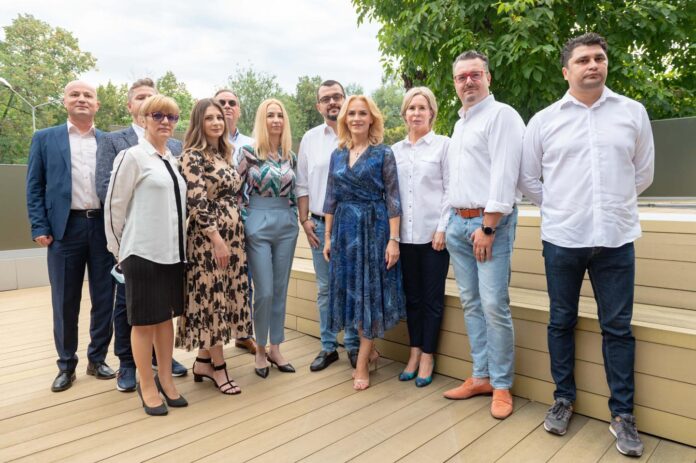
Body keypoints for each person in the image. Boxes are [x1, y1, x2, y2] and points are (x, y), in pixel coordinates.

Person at [518, 32, 654, 457]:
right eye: (583, 60)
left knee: (618, 328)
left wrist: (609, 205)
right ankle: (563, 398)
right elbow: (528, 178)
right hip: (563, 239)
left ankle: (623, 415)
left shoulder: (632, 113)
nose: (593, 65)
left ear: (606, 64)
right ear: (566, 71)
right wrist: (561, 207)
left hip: (616, 238)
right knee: (561, 321)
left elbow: (643, 173)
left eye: (598, 58)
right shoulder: (544, 120)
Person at [441, 51, 525, 420]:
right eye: (461, 77)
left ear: (488, 77)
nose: (468, 82)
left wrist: (488, 227)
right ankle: (481, 376)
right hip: (459, 224)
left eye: (475, 74)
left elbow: (505, 176)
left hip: (488, 225)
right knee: (471, 303)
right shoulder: (460, 124)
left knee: (493, 304)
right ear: (455, 83)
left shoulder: (501, 116)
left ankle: (502, 384)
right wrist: (448, 223)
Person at [95, 78, 187, 393]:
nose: (165, 121)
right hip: (141, 254)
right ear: (143, 118)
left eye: (171, 116)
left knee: (165, 320)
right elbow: (114, 207)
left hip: (171, 255)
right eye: (157, 115)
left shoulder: (172, 159)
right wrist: (119, 252)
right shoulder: (132, 156)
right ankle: (146, 385)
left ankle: (166, 379)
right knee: (144, 322)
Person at [26, 80, 116, 392]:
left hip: (103, 229)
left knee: (104, 298)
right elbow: (34, 186)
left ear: (97, 105)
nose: (81, 99)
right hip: (64, 230)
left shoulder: (108, 141)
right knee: (65, 300)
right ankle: (66, 365)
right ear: (64, 101)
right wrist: (39, 226)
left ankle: (97, 359)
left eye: (88, 95)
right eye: (74, 94)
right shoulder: (44, 138)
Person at [322, 95, 405, 391]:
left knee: (369, 293)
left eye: (362, 113)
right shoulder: (337, 154)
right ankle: (370, 352)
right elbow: (330, 198)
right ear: (344, 119)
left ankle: (361, 364)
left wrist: (393, 240)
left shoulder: (383, 153)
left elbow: (393, 199)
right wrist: (328, 237)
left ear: (372, 119)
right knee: (353, 294)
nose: (356, 118)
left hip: (373, 228)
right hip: (345, 231)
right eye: (352, 113)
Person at [175, 99, 252, 394]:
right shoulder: (192, 156)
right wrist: (216, 239)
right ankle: (220, 369)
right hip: (209, 240)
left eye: (219, 117)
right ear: (199, 122)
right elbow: (196, 201)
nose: (217, 122)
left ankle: (203, 362)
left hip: (232, 238)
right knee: (213, 302)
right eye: (209, 118)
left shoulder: (222, 154)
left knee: (224, 297)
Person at [297, 80, 360, 372]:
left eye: (337, 96)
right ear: (318, 106)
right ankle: (328, 346)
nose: (332, 102)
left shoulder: (359, 133)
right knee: (325, 288)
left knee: (352, 285)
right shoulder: (310, 139)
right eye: (326, 98)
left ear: (345, 99)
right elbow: (302, 184)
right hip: (320, 225)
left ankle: (354, 345)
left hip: (353, 224)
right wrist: (304, 219)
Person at [392, 87, 450, 387]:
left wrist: (442, 228)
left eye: (421, 108)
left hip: (433, 237)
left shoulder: (444, 146)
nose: (416, 113)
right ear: (404, 114)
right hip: (404, 238)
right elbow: (391, 196)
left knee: (432, 299)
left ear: (432, 113)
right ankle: (413, 352)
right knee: (411, 298)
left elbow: (451, 190)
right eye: (411, 108)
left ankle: (428, 355)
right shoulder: (394, 151)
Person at [237, 98, 299, 378]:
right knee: (263, 291)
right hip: (258, 221)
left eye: (280, 115)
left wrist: (295, 217)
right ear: (262, 120)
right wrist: (247, 221)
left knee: (280, 288)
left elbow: (295, 193)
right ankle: (260, 349)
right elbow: (236, 193)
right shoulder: (249, 153)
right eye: (270, 115)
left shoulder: (290, 156)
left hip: (286, 223)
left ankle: (276, 347)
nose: (276, 120)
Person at [213, 88, 257, 355]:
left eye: (232, 103)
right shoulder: (205, 142)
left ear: (239, 110)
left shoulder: (253, 143)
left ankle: (243, 334)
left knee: (243, 280)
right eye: (222, 102)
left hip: (245, 221)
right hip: (212, 223)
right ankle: (214, 343)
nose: (227, 106)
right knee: (214, 283)